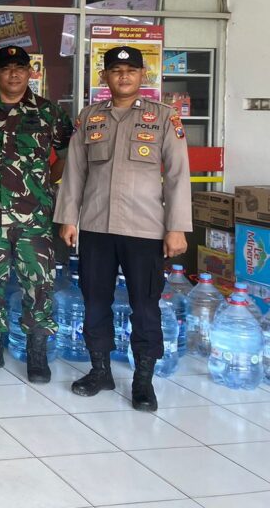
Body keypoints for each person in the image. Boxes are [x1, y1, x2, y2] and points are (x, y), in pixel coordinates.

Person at [55, 45, 191, 412]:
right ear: (105, 77)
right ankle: (100, 371)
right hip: (96, 227)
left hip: (145, 230)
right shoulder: (89, 117)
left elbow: (178, 176)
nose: (124, 76)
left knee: (144, 306)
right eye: (116, 70)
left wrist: (177, 227)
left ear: (142, 75)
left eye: (131, 70)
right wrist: (69, 217)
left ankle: (143, 381)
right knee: (94, 301)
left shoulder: (163, 118)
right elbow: (75, 172)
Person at [0, 45, 74, 383]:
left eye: (20, 68)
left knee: (38, 284)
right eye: (6, 68)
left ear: (30, 72)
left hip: (35, 219)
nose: (13, 74)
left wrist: (44, 181)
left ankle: (37, 353)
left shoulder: (50, 112)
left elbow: (68, 154)